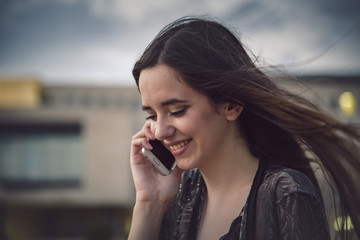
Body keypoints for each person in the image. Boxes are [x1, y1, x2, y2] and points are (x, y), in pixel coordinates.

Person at [128, 16, 360, 240]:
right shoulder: (177, 197)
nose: (159, 131)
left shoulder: (287, 196)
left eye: (177, 111)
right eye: (151, 115)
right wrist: (150, 202)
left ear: (231, 104)